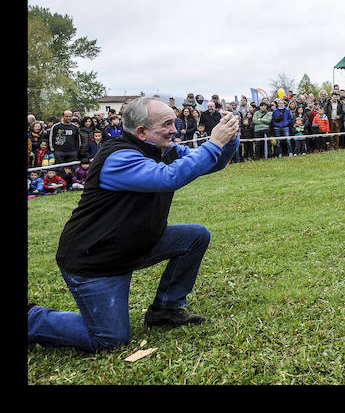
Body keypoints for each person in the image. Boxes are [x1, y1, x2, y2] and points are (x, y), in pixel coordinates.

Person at [27, 97, 239, 352]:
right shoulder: (118, 157)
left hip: (133, 245)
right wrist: (214, 142)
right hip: (97, 259)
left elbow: (210, 162)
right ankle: (31, 318)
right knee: (109, 339)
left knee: (195, 236)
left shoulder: (162, 148)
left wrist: (229, 137)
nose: (175, 129)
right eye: (167, 124)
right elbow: (168, 177)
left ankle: (165, 310)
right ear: (141, 132)